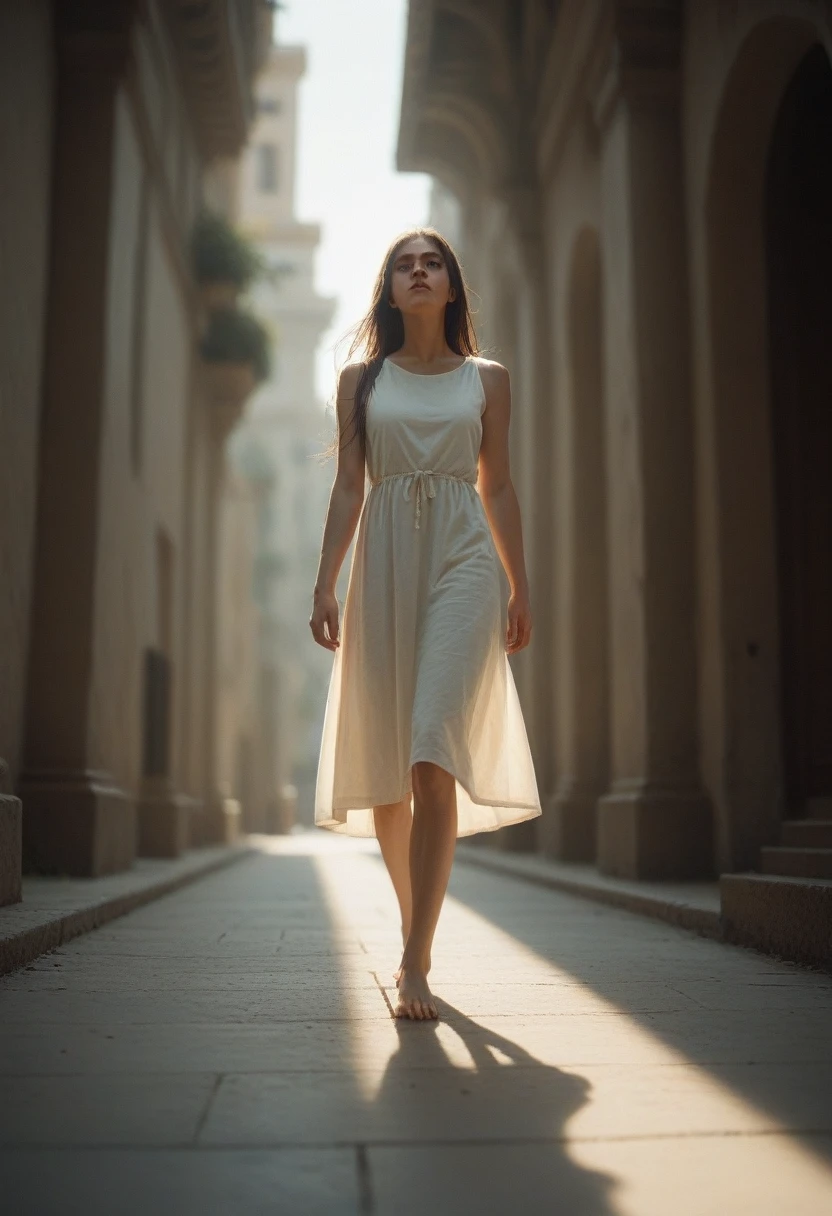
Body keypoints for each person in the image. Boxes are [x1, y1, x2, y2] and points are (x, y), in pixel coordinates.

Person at [309, 228, 541, 1020]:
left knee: (432, 751)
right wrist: (325, 584)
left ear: (451, 287)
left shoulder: (489, 380)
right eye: (404, 263)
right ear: (391, 287)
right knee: (390, 774)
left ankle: (414, 961)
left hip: (465, 561)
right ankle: (418, 925)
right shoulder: (361, 381)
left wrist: (519, 584)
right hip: (383, 566)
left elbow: (499, 486)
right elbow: (347, 487)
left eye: (431, 262)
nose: (418, 271)